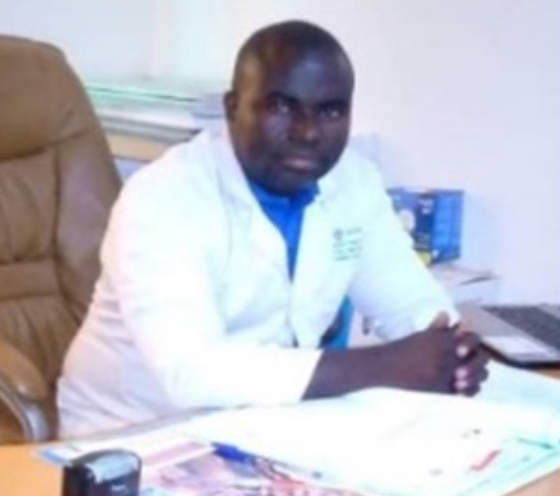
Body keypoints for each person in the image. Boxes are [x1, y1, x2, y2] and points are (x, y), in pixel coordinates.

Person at [56, 20, 489, 437]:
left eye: (331, 111)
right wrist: (384, 366)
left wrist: (452, 352)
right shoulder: (165, 197)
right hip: (134, 433)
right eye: (281, 107)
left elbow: (410, 302)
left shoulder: (353, 183)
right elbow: (189, 371)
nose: (308, 132)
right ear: (232, 108)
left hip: (268, 428)